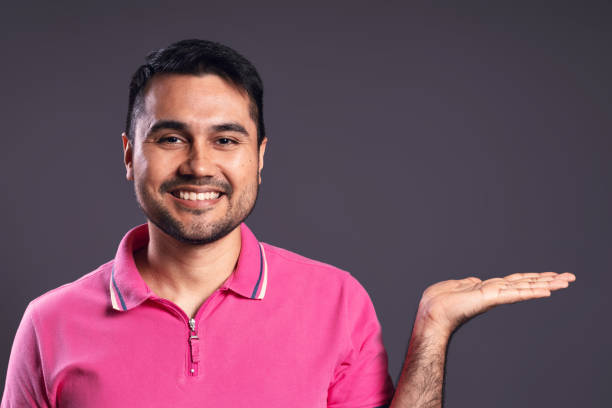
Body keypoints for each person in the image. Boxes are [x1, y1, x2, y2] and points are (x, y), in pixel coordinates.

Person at [1, 39, 575, 408]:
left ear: (260, 157)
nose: (200, 164)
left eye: (226, 139)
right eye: (171, 137)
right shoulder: (50, 323)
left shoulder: (337, 302)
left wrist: (432, 333)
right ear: (129, 155)